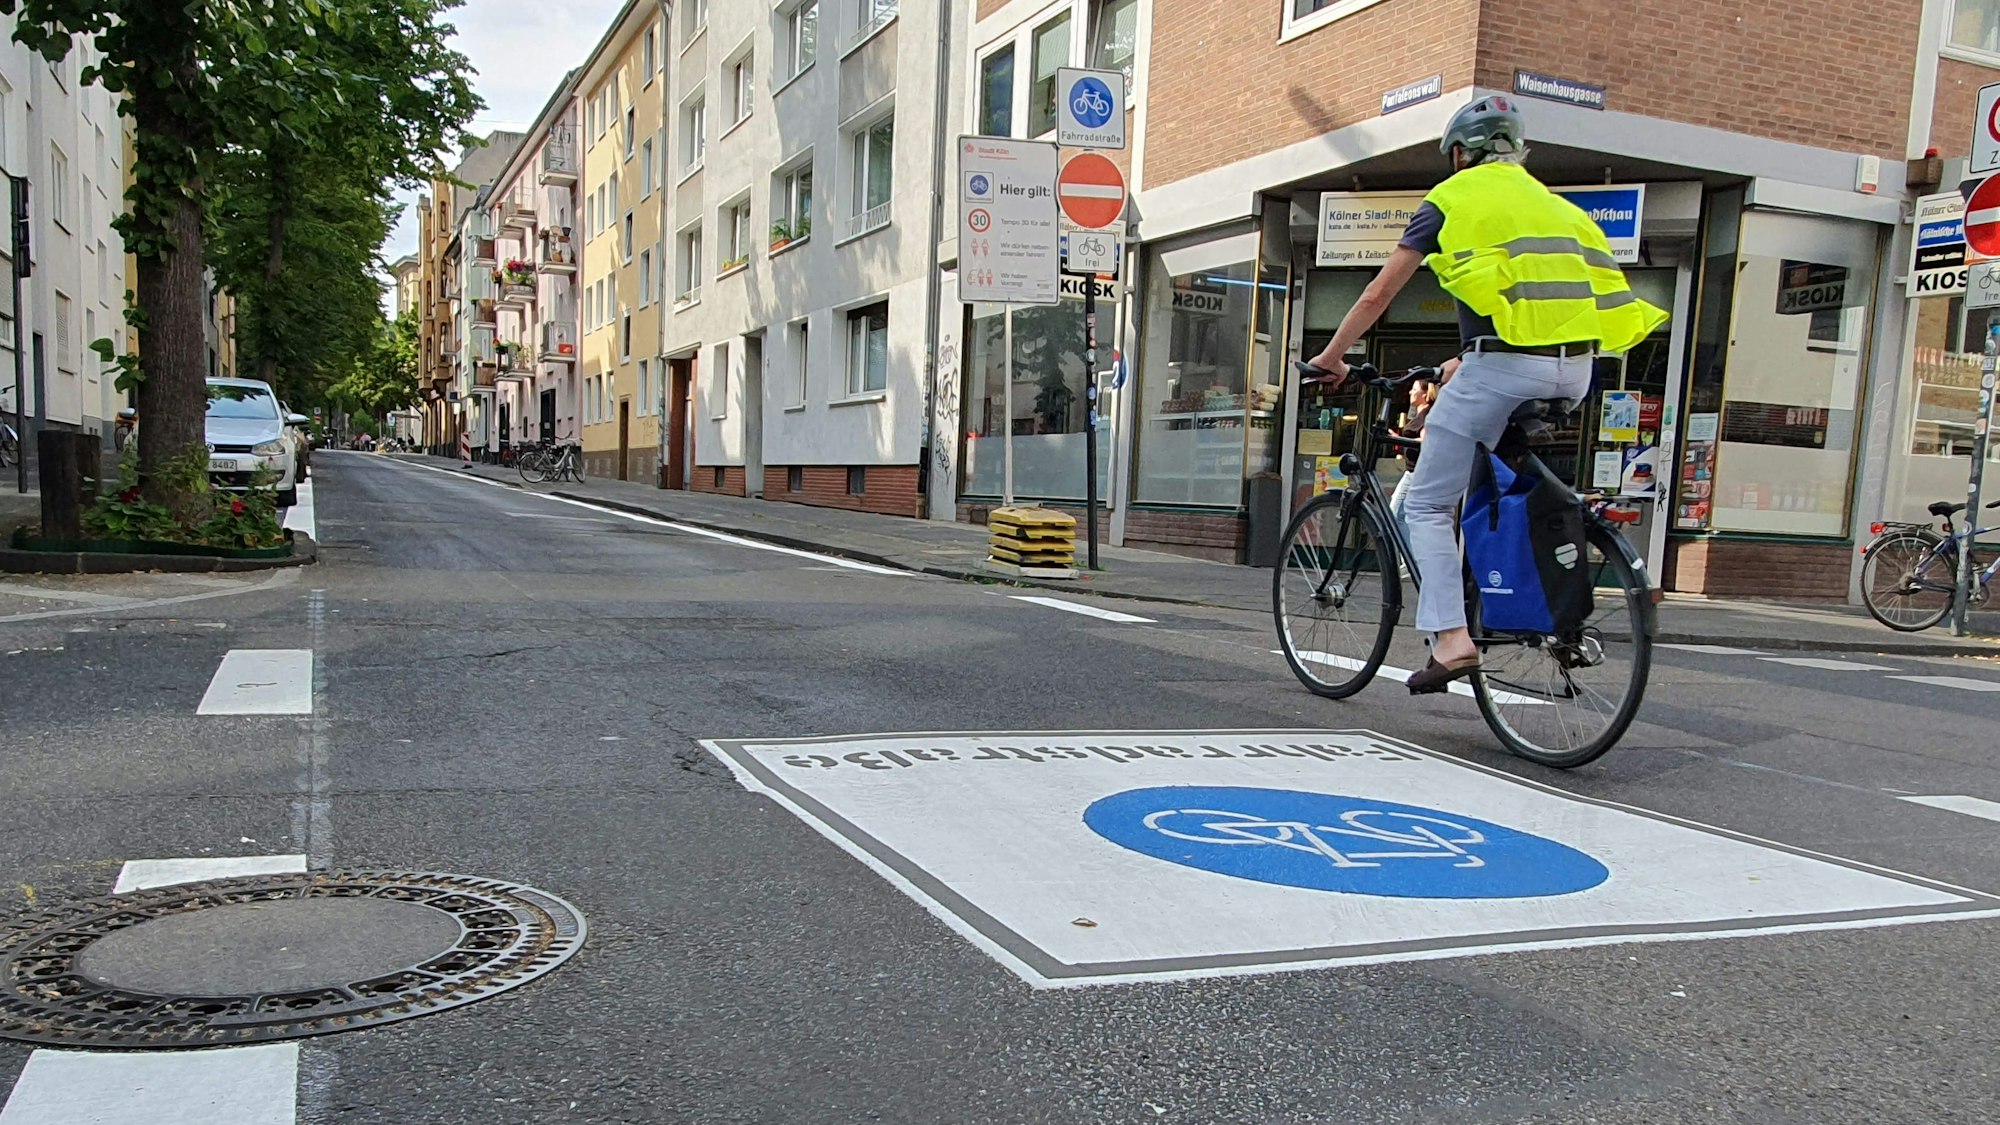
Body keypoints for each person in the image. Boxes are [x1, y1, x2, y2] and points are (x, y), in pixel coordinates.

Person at [1295, 95, 1666, 694]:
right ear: (1518, 151)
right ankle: (1506, 581)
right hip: (1575, 374)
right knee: (1487, 483)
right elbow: (1534, 315)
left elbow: (1377, 294)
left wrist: (1330, 359)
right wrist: (1459, 362)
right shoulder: (1560, 209)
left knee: (1426, 505)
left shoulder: (1451, 199)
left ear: (1460, 153)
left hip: (1504, 373)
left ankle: (1450, 640)